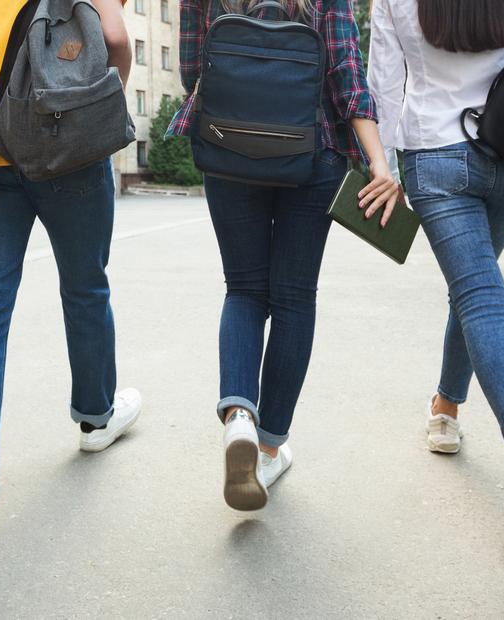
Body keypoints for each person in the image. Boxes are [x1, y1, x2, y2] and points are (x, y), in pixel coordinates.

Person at [0, 0, 140, 566]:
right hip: (69, 145)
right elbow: (115, 42)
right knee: (86, 286)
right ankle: (96, 417)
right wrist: (88, 105)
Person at [171, 0, 401, 511]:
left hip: (227, 149)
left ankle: (238, 418)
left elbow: (193, 70)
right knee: (294, 299)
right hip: (311, 153)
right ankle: (270, 446)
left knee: (244, 289)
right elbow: (346, 77)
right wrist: (379, 161)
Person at [369, 0, 504, 557]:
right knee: (476, 293)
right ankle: (446, 409)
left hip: (434, 155)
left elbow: (384, 82)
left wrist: (383, 165)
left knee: (479, 299)